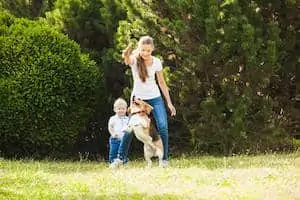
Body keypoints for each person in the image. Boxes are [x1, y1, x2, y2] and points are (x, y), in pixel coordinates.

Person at [110, 35, 176, 168]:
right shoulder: (135, 60)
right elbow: (127, 59)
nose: (145, 53)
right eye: (143, 50)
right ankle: (121, 158)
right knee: (130, 128)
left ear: (152, 49)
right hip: (139, 100)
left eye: (148, 51)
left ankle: (164, 159)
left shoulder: (156, 62)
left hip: (155, 98)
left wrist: (169, 102)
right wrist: (127, 53)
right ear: (139, 49)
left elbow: (162, 83)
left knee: (163, 126)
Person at [108, 98, 129, 166]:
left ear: (126, 109)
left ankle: (123, 161)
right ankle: (112, 162)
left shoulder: (127, 119)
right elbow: (110, 127)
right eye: (119, 109)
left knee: (123, 152)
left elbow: (129, 128)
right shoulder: (113, 118)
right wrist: (113, 133)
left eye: (123, 109)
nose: (121, 110)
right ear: (115, 109)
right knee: (114, 151)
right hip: (115, 138)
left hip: (124, 139)